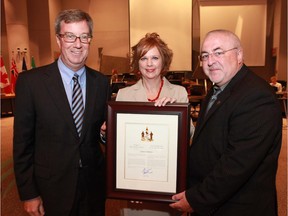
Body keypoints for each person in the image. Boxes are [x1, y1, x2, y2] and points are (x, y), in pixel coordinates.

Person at [170, 29, 282, 215]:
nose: (210, 61)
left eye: (218, 52)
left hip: (238, 207)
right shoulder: (219, 89)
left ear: (239, 55)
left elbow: (237, 164)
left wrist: (196, 199)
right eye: (205, 55)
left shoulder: (257, 96)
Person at [13, 9, 110, 216]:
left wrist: (104, 133)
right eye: (70, 36)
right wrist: (29, 193)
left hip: (93, 187)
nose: (77, 44)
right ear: (58, 40)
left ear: (90, 40)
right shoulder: (31, 83)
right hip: (51, 189)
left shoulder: (101, 82)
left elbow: (100, 132)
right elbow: (22, 144)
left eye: (84, 37)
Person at [115, 32, 194, 215]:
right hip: (135, 193)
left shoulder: (179, 93)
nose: (149, 64)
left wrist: (179, 114)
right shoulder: (124, 95)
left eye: (155, 58)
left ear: (163, 61)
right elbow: (121, 148)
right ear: (137, 63)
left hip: (169, 187)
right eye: (144, 58)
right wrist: (129, 186)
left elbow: (190, 136)